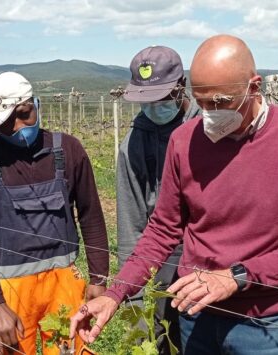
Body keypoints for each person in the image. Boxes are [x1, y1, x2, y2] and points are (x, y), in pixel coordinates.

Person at [71, 34, 278, 355]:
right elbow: (162, 229)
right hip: (195, 316)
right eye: (203, 101)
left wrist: (238, 276)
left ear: (254, 87)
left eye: (220, 103)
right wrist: (115, 294)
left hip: (262, 323)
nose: (209, 114)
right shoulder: (184, 140)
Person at [0, 72, 109, 355]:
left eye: (24, 115)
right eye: (5, 123)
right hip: (9, 293)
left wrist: (99, 279)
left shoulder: (68, 150)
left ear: (36, 104)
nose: (16, 127)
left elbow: (91, 216)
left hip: (65, 284)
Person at [117, 45, 200, 354]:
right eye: (145, 101)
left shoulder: (208, 131)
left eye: (161, 99)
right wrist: (133, 294)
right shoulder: (133, 144)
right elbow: (131, 224)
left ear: (182, 87)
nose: (153, 108)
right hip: (161, 256)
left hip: (208, 255)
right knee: (160, 339)